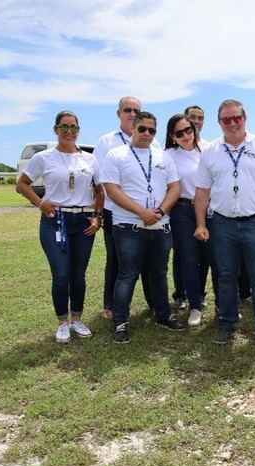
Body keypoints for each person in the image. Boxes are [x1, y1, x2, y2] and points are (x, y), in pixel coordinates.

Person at [194, 99, 255, 347]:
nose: (233, 123)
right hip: (222, 223)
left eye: (237, 118)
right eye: (227, 119)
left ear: (244, 118)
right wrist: (201, 224)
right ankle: (227, 322)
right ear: (220, 122)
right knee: (225, 275)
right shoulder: (211, 151)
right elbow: (201, 192)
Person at [16, 110, 103, 343]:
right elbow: (21, 184)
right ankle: (63, 322)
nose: (69, 132)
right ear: (56, 130)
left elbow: (101, 190)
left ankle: (77, 319)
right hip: (56, 220)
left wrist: (97, 216)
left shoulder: (90, 159)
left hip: (83, 221)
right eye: (64, 127)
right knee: (62, 274)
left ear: (79, 130)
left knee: (78, 275)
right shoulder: (43, 158)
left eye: (73, 127)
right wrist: (41, 203)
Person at [100, 111, 182, 343]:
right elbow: (112, 189)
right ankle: (121, 323)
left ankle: (163, 315)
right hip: (128, 226)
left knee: (159, 273)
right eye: (142, 129)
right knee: (127, 274)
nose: (147, 134)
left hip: (160, 224)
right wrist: (141, 212)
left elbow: (174, 187)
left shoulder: (163, 156)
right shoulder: (116, 155)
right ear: (133, 128)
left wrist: (160, 211)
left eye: (152, 130)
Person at [93, 97, 158, 317]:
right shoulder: (107, 142)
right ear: (118, 113)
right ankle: (111, 305)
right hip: (116, 211)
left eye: (136, 110)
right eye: (127, 110)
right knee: (116, 260)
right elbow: (100, 181)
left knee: (150, 262)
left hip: (149, 213)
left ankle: (154, 302)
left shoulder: (153, 142)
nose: (132, 113)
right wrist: (99, 212)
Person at [163, 114, 215, 327]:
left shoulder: (208, 150)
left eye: (188, 130)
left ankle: (212, 301)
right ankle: (195, 305)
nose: (185, 135)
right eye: (179, 133)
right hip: (183, 210)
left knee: (211, 258)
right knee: (189, 259)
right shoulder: (167, 155)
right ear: (172, 136)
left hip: (210, 209)